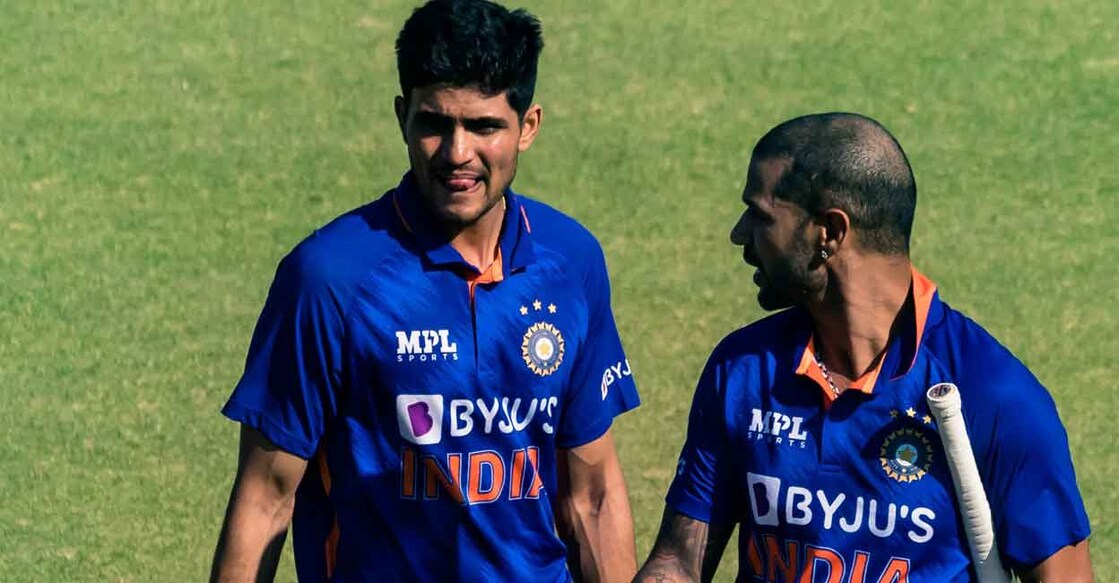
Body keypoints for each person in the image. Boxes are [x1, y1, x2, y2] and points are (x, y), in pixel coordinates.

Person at [209, 1, 641, 581]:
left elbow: (592, 495)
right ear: (402, 119)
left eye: (485, 126)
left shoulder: (572, 261)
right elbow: (265, 499)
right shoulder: (329, 278)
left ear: (528, 126)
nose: (457, 154)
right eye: (435, 123)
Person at [635, 113, 1093, 582]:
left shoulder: (993, 396)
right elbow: (679, 561)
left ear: (829, 232)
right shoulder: (743, 371)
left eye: (761, 215)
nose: (740, 234)